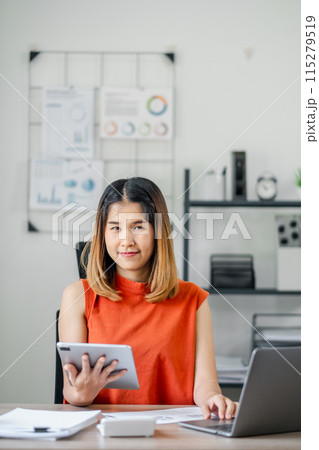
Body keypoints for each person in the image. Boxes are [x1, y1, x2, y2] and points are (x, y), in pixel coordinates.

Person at [59, 177, 238, 420]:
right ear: (102, 234)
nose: (126, 240)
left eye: (138, 226)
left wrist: (212, 398)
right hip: (103, 435)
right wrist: (83, 392)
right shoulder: (78, 296)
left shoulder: (193, 300)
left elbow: (205, 383)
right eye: (115, 227)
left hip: (175, 436)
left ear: (158, 232)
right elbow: (71, 391)